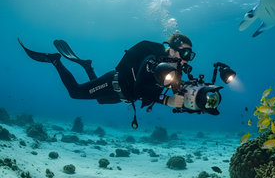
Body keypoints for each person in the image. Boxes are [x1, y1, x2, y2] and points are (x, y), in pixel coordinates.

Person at [18, 32, 196, 128]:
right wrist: (167, 100)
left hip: (122, 95)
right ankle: (55, 60)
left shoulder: (175, 70)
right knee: (75, 92)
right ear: (172, 50)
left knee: (99, 99)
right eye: (186, 53)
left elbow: (177, 92)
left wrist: (193, 101)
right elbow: (141, 89)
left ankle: (87, 66)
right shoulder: (152, 60)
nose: (188, 59)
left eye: (191, 55)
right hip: (114, 83)